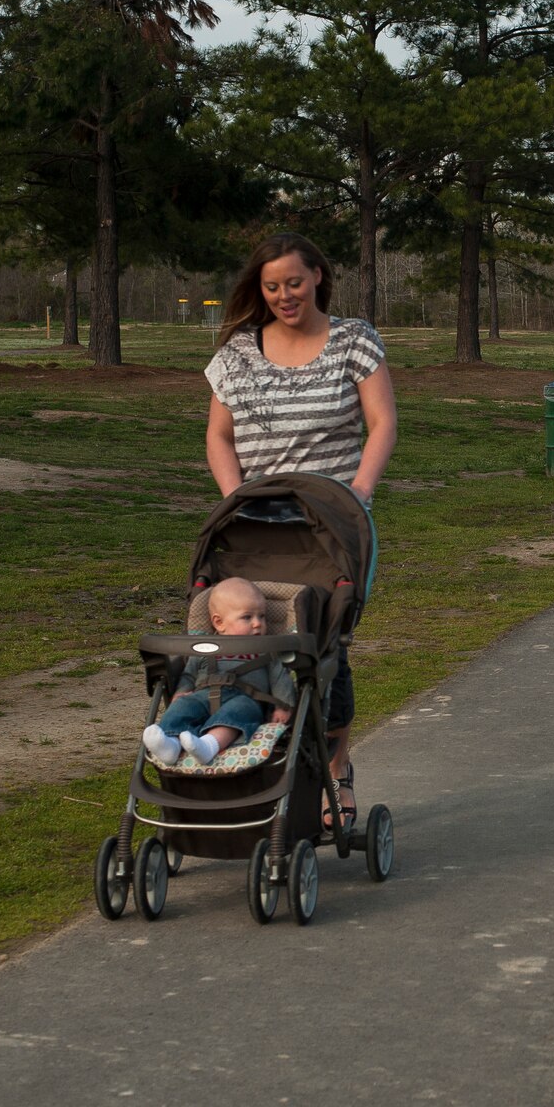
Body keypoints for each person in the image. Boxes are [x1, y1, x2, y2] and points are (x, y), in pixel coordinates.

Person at [206, 232, 397, 821]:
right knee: (253, 644)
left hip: (331, 525)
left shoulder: (352, 341)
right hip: (258, 530)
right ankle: (253, 763)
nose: (284, 295)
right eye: (271, 286)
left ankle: (336, 767)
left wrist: (359, 492)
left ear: (317, 275)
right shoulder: (238, 352)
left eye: (294, 281)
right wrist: (234, 499)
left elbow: (382, 420)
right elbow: (218, 435)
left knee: (326, 644)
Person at [142, 577, 295, 764]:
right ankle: (170, 744)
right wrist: (181, 692)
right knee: (183, 706)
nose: (257, 623)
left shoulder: (267, 649)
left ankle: (209, 744)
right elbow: (189, 673)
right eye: (247, 617)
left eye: (261, 616)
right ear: (219, 623)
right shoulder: (205, 647)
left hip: (246, 697)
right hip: (203, 694)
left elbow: (280, 677)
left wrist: (283, 705)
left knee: (240, 710)